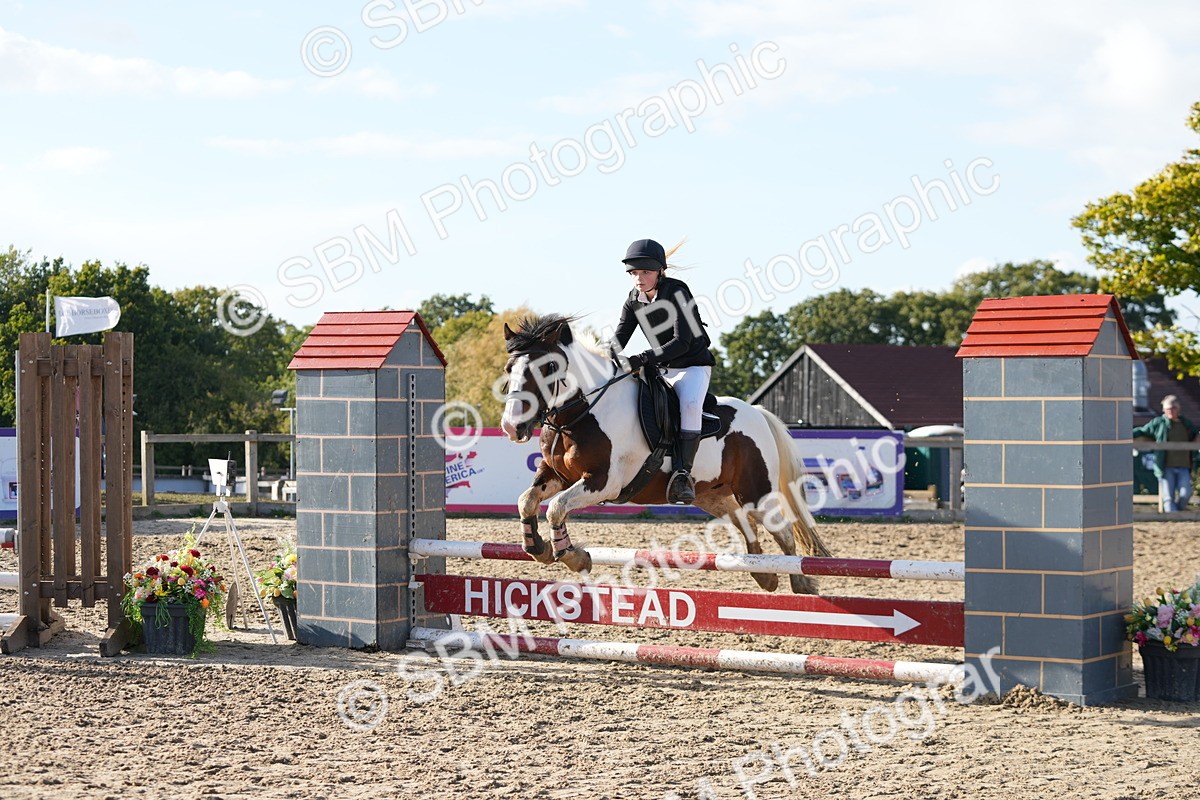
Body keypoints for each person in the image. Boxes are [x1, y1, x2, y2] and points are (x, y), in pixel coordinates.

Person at [610, 238, 716, 505]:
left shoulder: (677, 292)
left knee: (689, 406)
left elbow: (682, 342)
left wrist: (642, 358)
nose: (639, 279)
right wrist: (599, 357)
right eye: (634, 273)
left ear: (660, 272)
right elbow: (618, 339)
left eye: (645, 272)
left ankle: (682, 475)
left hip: (692, 366)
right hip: (662, 368)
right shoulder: (633, 300)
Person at [1133, 394, 1200, 512]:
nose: (1170, 411)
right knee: (1168, 497)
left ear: (1178, 409)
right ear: (1164, 409)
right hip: (1165, 466)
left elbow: (1195, 435)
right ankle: (1173, 518)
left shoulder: (1186, 423)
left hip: (1184, 466)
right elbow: (1142, 431)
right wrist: (1125, 435)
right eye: (1168, 409)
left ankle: (1178, 514)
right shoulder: (1158, 423)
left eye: (1173, 408)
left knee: (1186, 493)